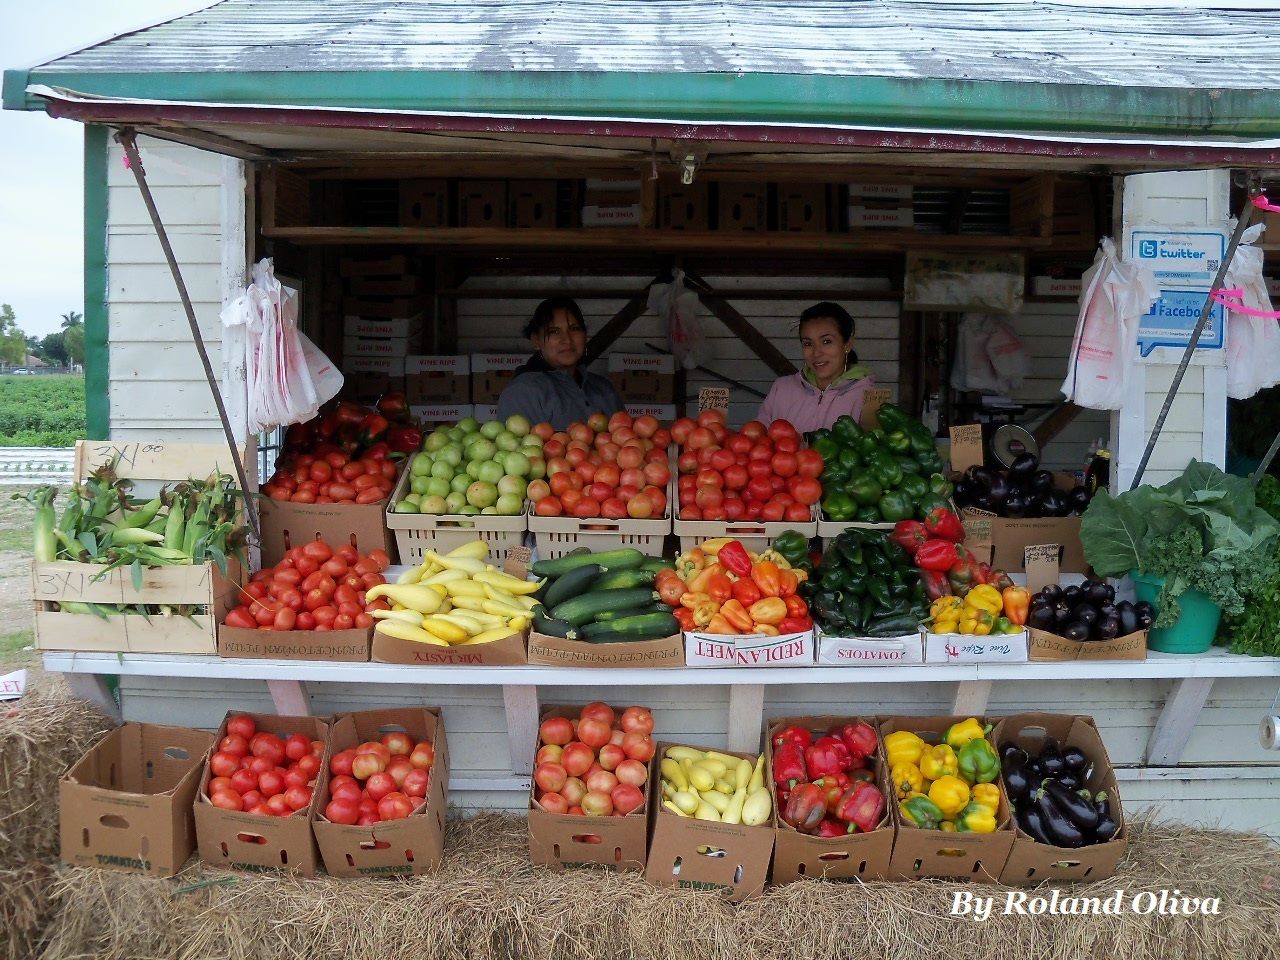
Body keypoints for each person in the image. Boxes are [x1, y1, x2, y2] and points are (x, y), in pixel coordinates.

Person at [496, 296, 624, 430]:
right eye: (554, 331)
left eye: (574, 329)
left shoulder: (604, 388)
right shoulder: (523, 392)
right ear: (536, 340)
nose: (567, 339)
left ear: (585, 335)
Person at [757, 301, 874, 434]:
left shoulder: (869, 397)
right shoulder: (781, 388)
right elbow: (758, 439)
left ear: (847, 344)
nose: (816, 353)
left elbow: (876, 449)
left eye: (826, 341)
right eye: (808, 344)